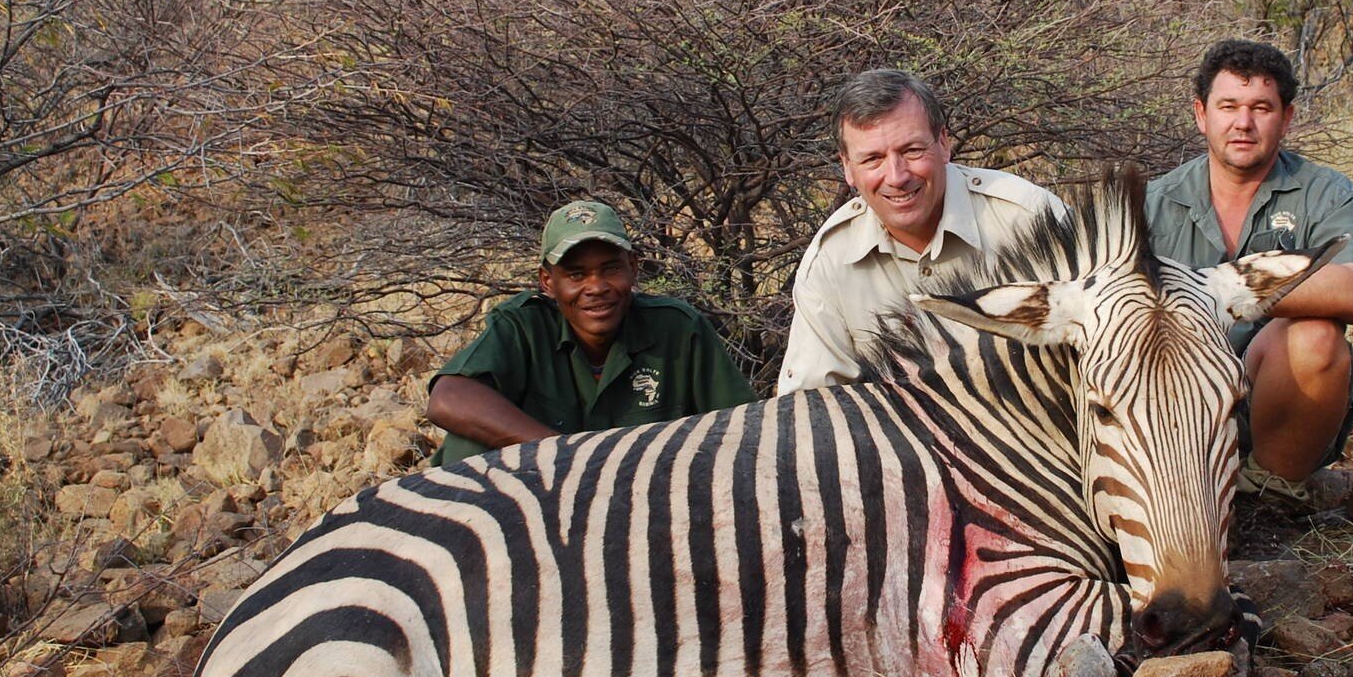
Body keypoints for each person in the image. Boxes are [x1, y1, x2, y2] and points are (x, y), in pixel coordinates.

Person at [1145, 39, 1353, 491]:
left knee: (1317, 337)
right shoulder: (1150, 201)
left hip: (1267, 402)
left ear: (1286, 118)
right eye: (1228, 106)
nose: (1243, 123)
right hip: (1170, 407)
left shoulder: (1326, 192)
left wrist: (1224, 289)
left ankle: (1267, 494)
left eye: (1261, 108)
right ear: (1201, 114)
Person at [777, 69, 1065, 393]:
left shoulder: (1030, 219)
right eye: (872, 159)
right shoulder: (830, 260)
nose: (897, 176)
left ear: (943, 143)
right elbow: (811, 403)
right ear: (847, 167)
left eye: (912, 151)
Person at [426, 199, 755, 465]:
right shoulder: (523, 326)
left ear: (633, 268)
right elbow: (449, 398)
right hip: (539, 497)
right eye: (576, 274)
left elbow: (742, 429)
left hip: (645, 500)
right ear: (547, 282)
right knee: (469, 440)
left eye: (610, 269)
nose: (596, 287)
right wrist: (571, 455)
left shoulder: (679, 329)